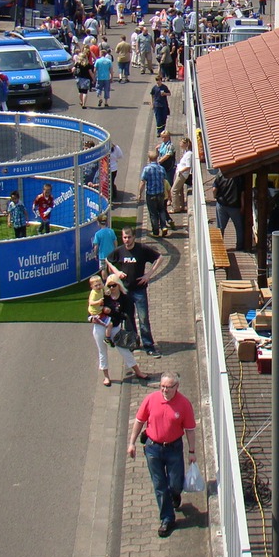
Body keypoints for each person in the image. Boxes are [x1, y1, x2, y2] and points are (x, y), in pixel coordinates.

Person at [128, 372, 198, 538]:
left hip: (174, 449)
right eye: (162, 387)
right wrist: (131, 443)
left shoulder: (184, 404)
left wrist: (192, 452)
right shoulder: (151, 400)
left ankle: (175, 495)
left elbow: (190, 430)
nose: (165, 390)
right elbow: (139, 421)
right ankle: (167, 518)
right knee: (160, 485)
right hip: (153, 448)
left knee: (175, 484)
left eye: (168, 387)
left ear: (177, 387)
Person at [107, 227, 166, 357]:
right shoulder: (120, 251)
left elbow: (160, 258)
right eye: (124, 237)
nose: (127, 240)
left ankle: (148, 345)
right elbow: (108, 259)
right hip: (126, 290)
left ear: (134, 237)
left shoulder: (142, 249)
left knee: (143, 318)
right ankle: (133, 342)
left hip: (139, 290)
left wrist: (149, 274)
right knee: (128, 318)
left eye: (129, 237)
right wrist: (116, 272)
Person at [89, 275, 148, 387]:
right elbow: (91, 311)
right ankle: (106, 377)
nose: (111, 288)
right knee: (102, 352)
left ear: (118, 285)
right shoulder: (104, 296)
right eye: (109, 286)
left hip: (115, 328)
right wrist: (92, 318)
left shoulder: (125, 298)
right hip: (100, 327)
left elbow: (127, 316)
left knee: (125, 350)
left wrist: (114, 314)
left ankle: (138, 372)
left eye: (114, 285)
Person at [140, 150, 170, 237]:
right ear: (157, 158)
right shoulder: (161, 168)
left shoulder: (147, 169)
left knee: (153, 213)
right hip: (160, 193)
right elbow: (164, 179)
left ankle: (156, 231)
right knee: (161, 210)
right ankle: (163, 226)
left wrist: (139, 193)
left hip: (151, 194)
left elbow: (143, 182)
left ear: (149, 159)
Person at [213, 171, 245, 251]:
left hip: (221, 205)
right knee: (239, 228)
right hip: (235, 207)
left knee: (220, 227)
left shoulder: (220, 175)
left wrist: (215, 197)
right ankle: (239, 246)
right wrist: (242, 206)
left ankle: (219, 247)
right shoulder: (239, 177)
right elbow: (242, 194)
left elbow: (214, 189)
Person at [170, 137, 193, 215]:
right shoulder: (186, 152)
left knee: (174, 190)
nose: (180, 144)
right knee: (180, 190)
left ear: (186, 144)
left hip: (183, 174)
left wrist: (181, 171)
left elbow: (188, 166)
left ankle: (175, 208)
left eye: (181, 143)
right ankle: (181, 206)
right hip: (180, 173)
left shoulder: (189, 154)